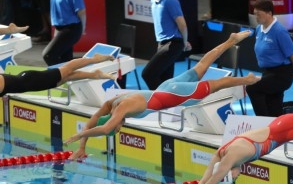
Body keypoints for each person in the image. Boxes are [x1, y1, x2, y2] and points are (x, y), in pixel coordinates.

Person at [64, 30, 259, 160]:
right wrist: (82, 146)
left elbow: (104, 128)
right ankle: (230, 41)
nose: (119, 128)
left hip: (174, 94)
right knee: (201, 67)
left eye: (118, 128)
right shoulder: (110, 103)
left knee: (216, 85)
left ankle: (247, 80)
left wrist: (81, 134)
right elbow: (96, 120)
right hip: (166, 86)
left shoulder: (120, 110)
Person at [246, 0, 293, 117]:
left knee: (252, 89)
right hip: (267, 73)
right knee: (274, 107)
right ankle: (275, 129)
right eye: (255, 15)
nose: (256, 17)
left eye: (259, 14)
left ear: (269, 13)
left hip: (282, 74)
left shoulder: (279, 31)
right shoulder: (259, 28)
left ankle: (262, 123)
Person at [0, 53, 117, 97]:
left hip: (31, 80)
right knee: (66, 77)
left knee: (67, 69)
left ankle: (94, 59)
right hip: (29, 82)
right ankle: (94, 75)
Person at [141, 0, 192, 90]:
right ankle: (168, 102)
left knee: (148, 74)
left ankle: (160, 101)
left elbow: (182, 24)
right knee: (165, 80)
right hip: (162, 44)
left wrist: (185, 42)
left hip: (173, 44)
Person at [42, 0, 86, 66]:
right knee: (65, 60)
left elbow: (81, 11)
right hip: (60, 28)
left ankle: (59, 75)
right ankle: (66, 76)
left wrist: (83, 28)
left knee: (48, 55)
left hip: (71, 28)